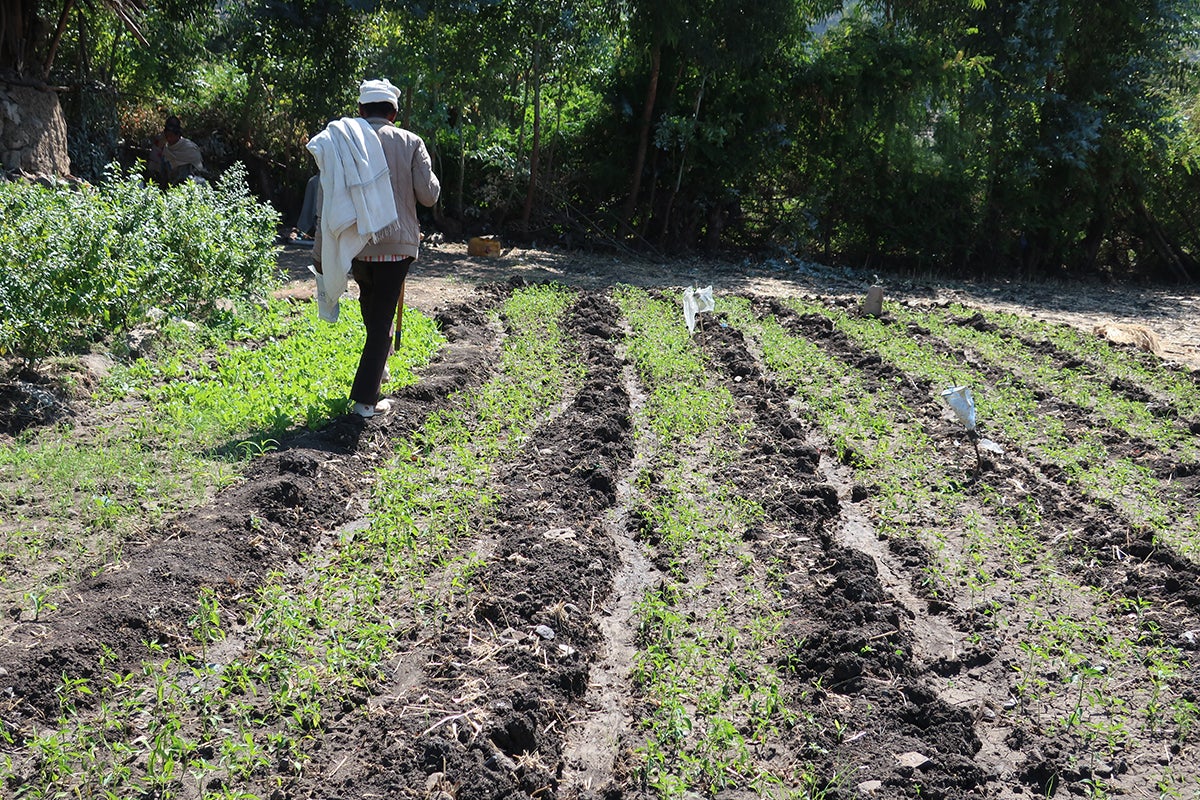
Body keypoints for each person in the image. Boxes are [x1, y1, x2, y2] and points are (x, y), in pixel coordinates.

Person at [308, 78, 441, 419]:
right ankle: (366, 400)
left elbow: (328, 194)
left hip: (357, 243)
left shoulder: (342, 141)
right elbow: (428, 195)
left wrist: (321, 248)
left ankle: (378, 371)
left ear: (361, 110)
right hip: (397, 246)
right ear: (394, 112)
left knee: (372, 311)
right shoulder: (411, 142)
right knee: (381, 321)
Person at [150, 115, 205, 186]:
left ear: (178, 135)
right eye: (167, 136)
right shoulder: (165, 149)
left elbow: (199, 169)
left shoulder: (190, 148)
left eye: (171, 136)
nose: (169, 139)